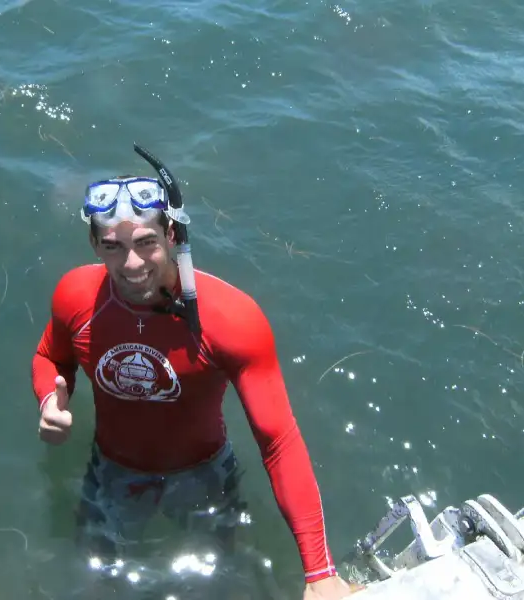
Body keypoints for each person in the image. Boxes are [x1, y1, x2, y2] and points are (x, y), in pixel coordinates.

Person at [31, 145, 359, 599]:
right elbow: (51, 357)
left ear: (170, 233)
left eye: (146, 241)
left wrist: (320, 571)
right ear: (94, 244)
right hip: (112, 472)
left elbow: (278, 441)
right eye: (113, 247)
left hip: (205, 475)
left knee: (217, 587)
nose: (131, 264)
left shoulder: (230, 319)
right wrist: (51, 398)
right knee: (94, 587)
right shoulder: (76, 296)